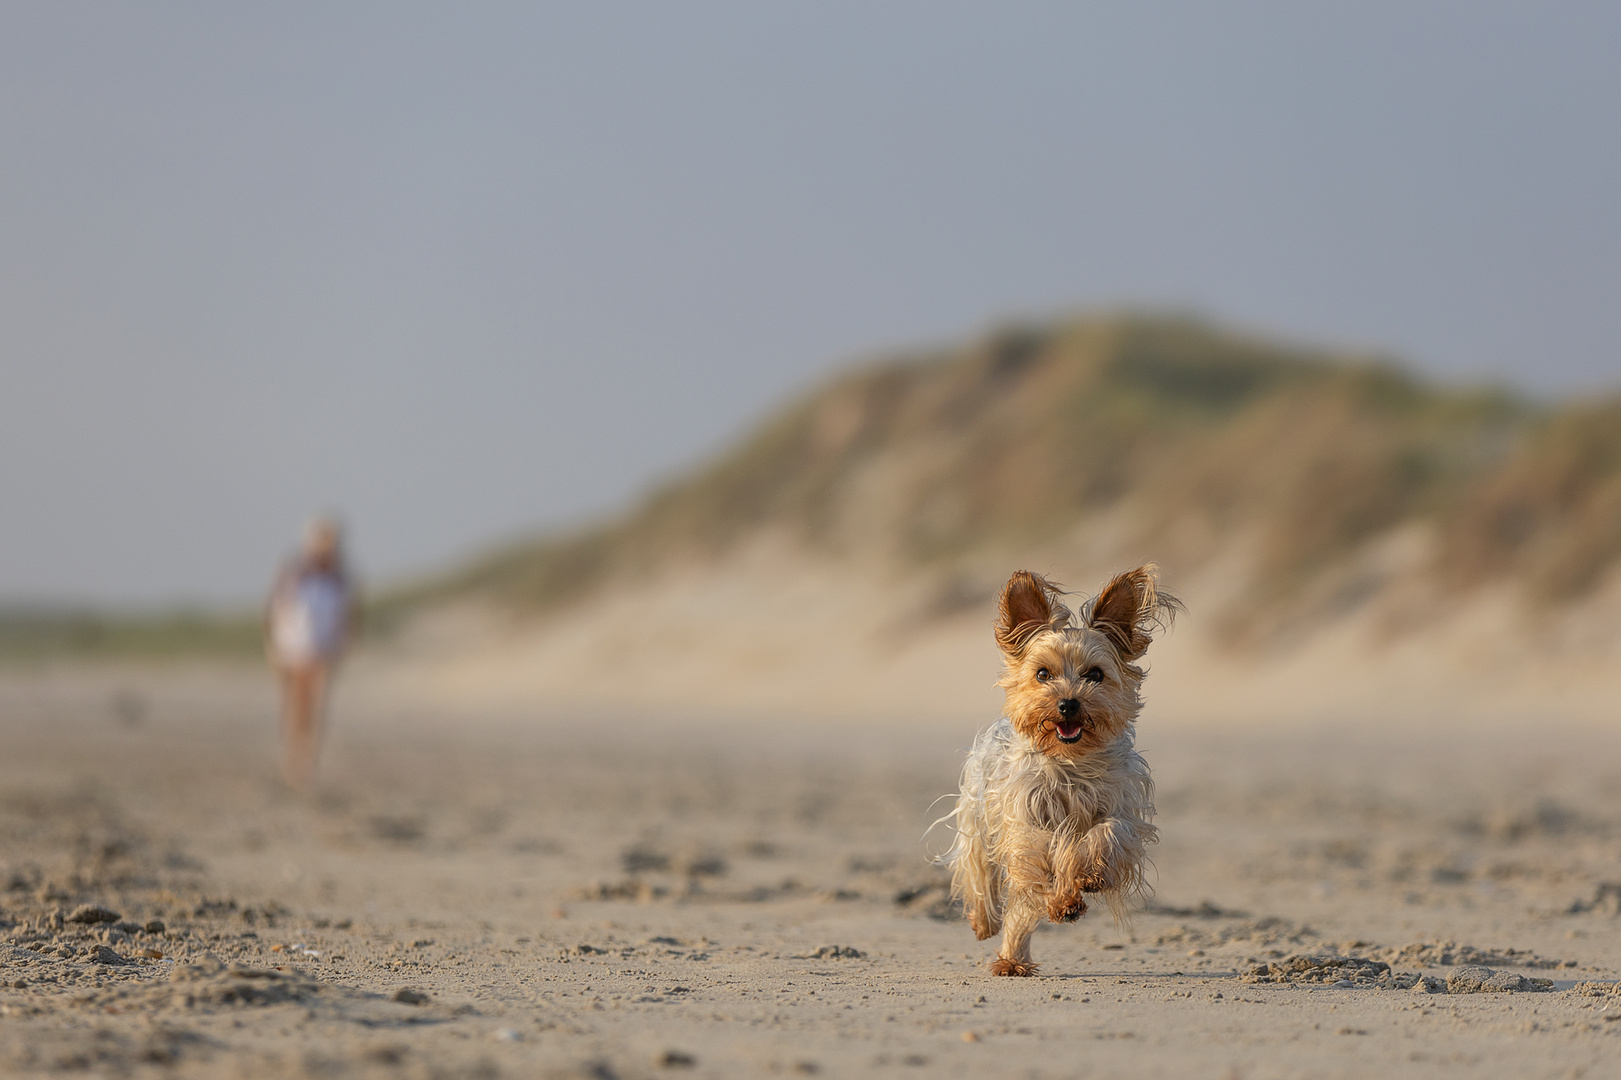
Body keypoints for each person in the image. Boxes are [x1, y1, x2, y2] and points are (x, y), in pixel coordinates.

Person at [265, 517, 359, 787]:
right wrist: (273, 643)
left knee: (317, 703)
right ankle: (293, 754)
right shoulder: (295, 571)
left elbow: (350, 611)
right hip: (293, 646)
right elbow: (274, 606)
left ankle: (308, 757)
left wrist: (347, 638)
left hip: (324, 646)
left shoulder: (339, 576)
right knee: (296, 703)